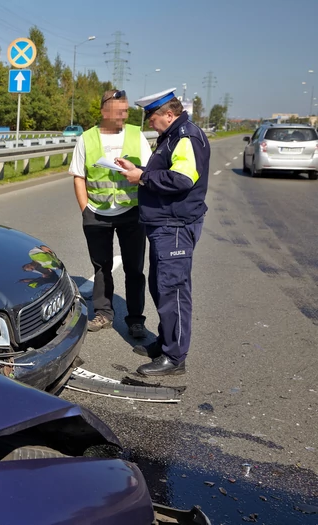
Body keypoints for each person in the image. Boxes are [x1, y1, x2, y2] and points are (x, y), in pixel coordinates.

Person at [115, 88, 210, 376]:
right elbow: (169, 171)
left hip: (175, 226)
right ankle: (166, 342)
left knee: (173, 291)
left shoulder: (185, 137)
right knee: (161, 286)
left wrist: (142, 177)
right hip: (165, 224)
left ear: (169, 114)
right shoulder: (173, 135)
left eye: (152, 118)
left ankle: (175, 357)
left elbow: (182, 179)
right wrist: (139, 169)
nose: (149, 124)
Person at [69, 89, 153, 339]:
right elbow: (79, 176)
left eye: (126, 110)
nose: (124, 115)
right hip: (97, 213)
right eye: (119, 111)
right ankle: (103, 314)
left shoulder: (137, 136)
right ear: (104, 111)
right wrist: (85, 209)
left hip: (132, 211)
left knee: (134, 269)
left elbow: (148, 171)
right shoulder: (86, 138)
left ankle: (136, 319)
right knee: (101, 267)